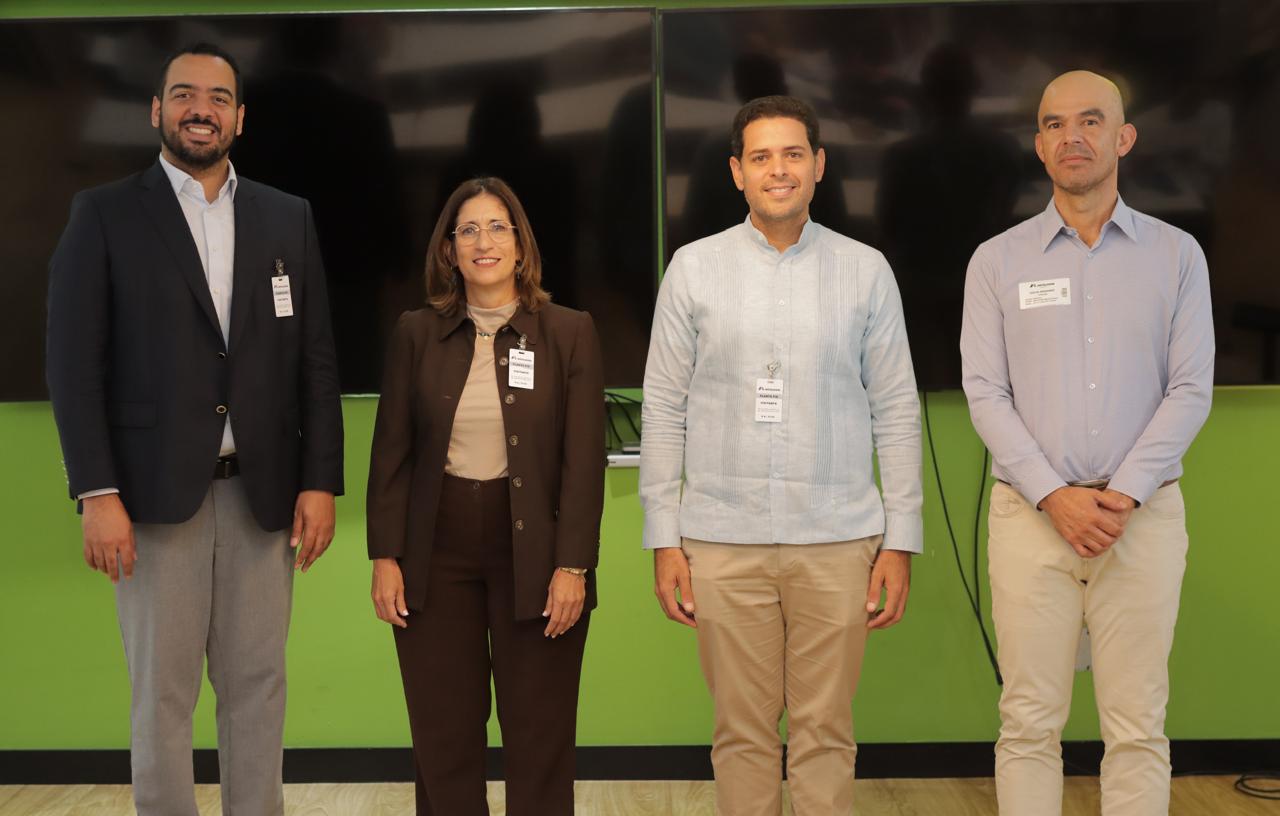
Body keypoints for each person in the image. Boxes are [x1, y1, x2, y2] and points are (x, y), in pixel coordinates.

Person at [46, 42, 344, 815]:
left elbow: (315, 361)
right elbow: (74, 368)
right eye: (183, 94)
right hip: (149, 503)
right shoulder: (105, 214)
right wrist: (96, 492)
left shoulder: (286, 216)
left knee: (258, 687)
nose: (200, 110)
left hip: (262, 496)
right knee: (163, 695)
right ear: (157, 110)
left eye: (217, 98)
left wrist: (320, 481)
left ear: (240, 118)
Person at [641, 95, 923, 816]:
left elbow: (896, 410)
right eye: (761, 156)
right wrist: (664, 539)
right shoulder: (693, 269)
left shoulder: (865, 271)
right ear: (737, 172)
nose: (778, 170)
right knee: (741, 733)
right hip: (722, 540)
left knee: (826, 732)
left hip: (837, 539)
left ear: (819, 165)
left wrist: (900, 541)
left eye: (793, 154)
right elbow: (663, 408)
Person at [960, 70, 1214, 815]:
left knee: (1137, 727)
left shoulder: (1177, 256)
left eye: (1091, 120)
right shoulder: (996, 261)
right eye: (1054, 124)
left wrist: (1122, 494)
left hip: (1143, 520)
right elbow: (985, 393)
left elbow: (1190, 388)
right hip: (1030, 521)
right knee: (1027, 722)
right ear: (1039, 146)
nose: (1072, 136)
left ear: (1123, 138)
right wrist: (1055, 496)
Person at [366, 177, 605, 816]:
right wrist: (385, 556)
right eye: (467, 230)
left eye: (498, 227)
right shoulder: (415, 333)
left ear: (521, 246)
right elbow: (391, 454)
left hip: (538, 554)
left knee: (540, 734)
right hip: (433, 553)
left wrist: (573, 566)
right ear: (449, 250)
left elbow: (584, 463)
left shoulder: (570, 332)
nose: (483, 242)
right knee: (443, 735)